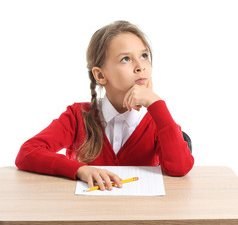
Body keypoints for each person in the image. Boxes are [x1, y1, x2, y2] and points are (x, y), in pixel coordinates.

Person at [15, 20, 194, 191]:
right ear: (100, 75)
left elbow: (180, 168)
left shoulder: (158, 120)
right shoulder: (77, 116)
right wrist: (80, 170)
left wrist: (156, 103)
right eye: (125, 59)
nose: (141, 66)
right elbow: (27, 153)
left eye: (144, 56)